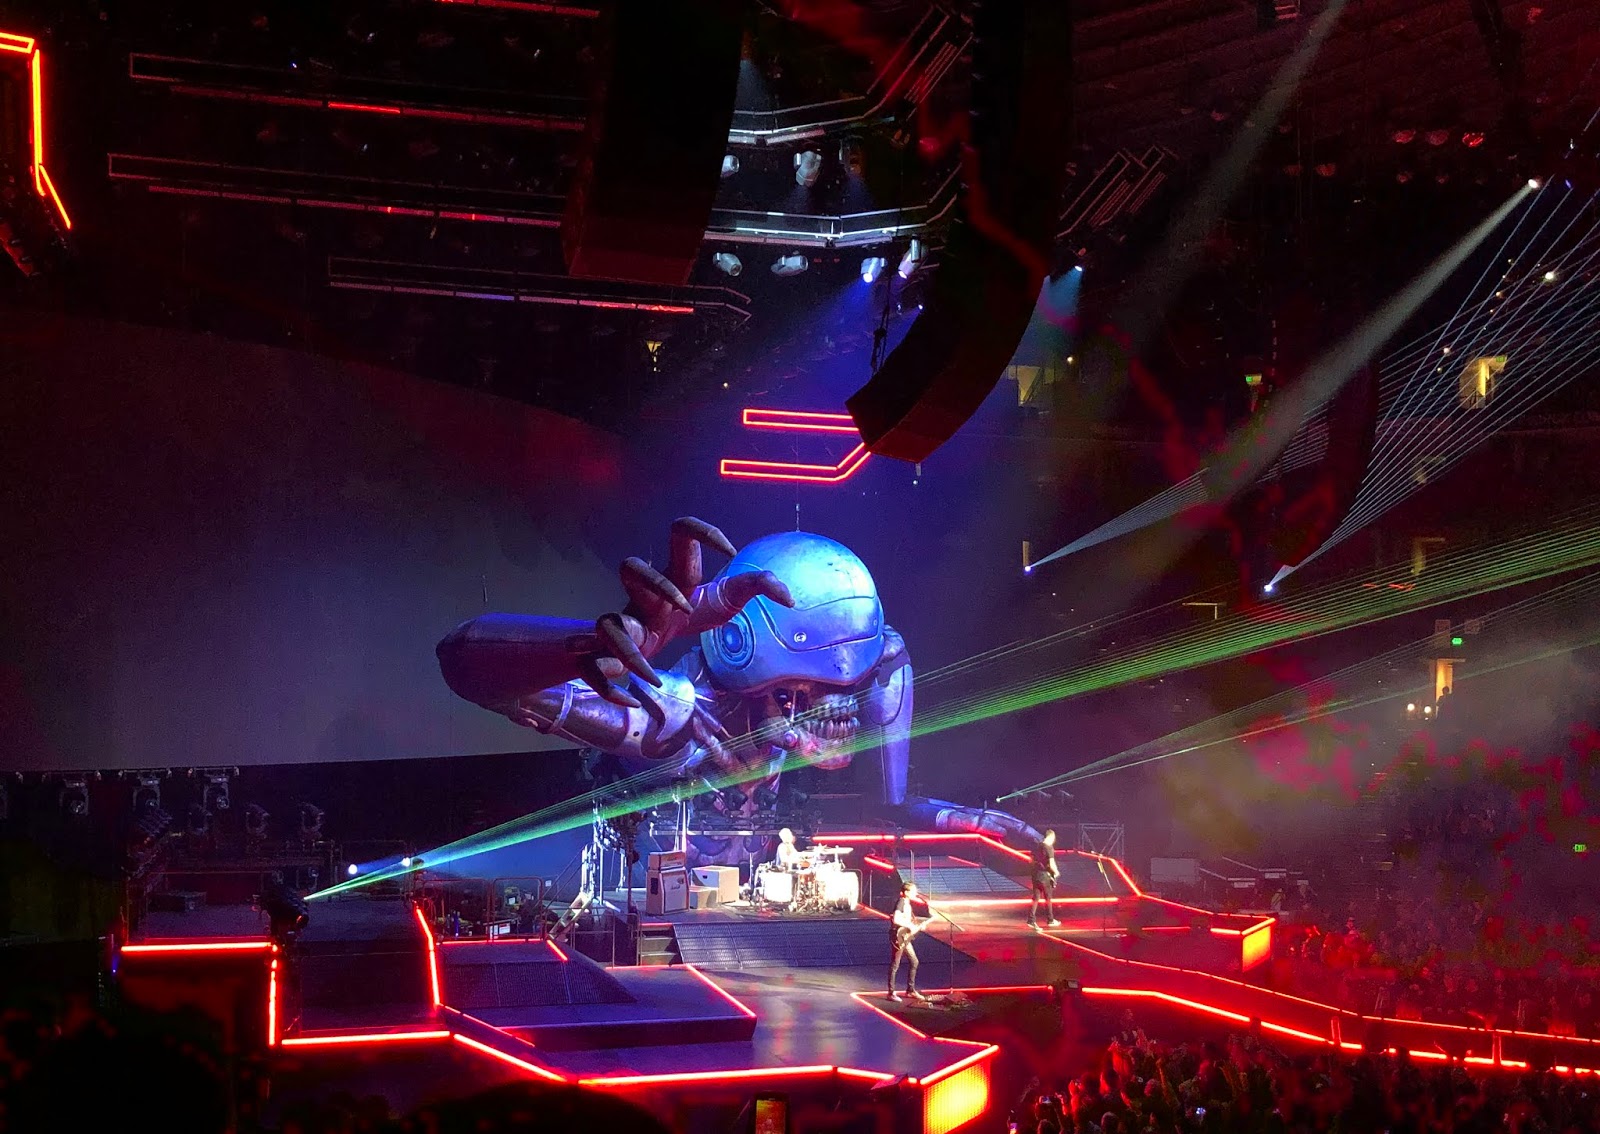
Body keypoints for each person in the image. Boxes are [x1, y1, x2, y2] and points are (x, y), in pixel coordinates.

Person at [888, 881, 930, 1002]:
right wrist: (910, 926)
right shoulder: (901, 902)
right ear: (906, 892)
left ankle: (910, 990)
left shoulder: (907, 904)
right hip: (898, 937)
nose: (915, 893)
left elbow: (906, 921)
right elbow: (896, 919)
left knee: (914, 961)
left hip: (905, 937)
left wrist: (917, 926)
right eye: (913, 891)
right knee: (895, 964)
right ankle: (891, 993)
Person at [1029, 829, 1062, 928]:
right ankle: (1050, 920)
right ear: (1051, 837)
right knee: (1048, 898)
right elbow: (1052, 863)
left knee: (1036, 898)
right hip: (1045, 875)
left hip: (1036, 874)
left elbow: (1031, 860)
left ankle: (1031, 919)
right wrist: (1056, 872)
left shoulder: (1037, 846)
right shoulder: (1049, 847)